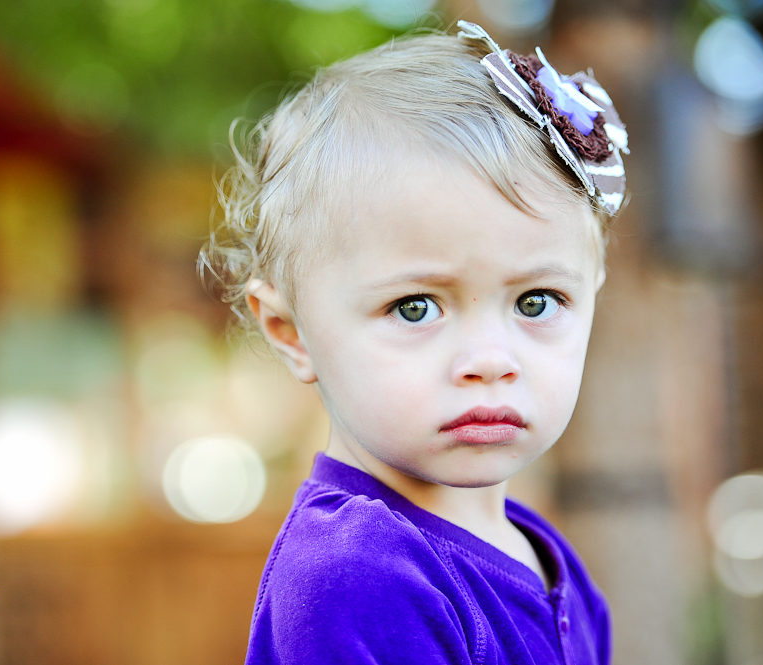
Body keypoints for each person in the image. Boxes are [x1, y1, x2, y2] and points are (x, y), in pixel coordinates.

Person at [203, 20, 629, 665]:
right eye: (415, 306)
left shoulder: (544, 557)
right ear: (292, 333)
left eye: (537, 302)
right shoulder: (356, 577)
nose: (489, 360)